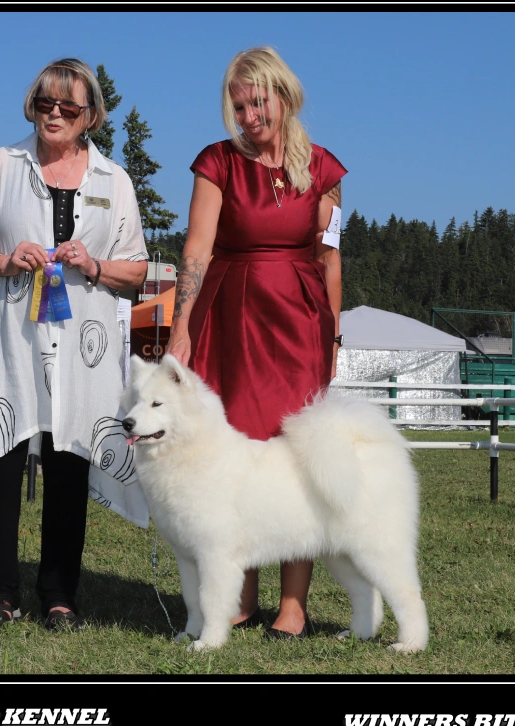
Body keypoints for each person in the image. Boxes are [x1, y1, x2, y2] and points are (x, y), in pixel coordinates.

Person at [0, 57, 149, 629]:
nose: (53, 114)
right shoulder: (1, 165)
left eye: (68, 106)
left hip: (84, 346)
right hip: (9, 336)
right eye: (44, 103)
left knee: (68, 462)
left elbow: (136, 270)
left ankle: (60, 595)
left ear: (91, 117)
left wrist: (96, 263)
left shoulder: (114, 180)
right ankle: (1, 593)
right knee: (1, 456)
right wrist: (3, 260)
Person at [167, 46, 346, 640]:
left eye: (257, 102)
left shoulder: (324, 169)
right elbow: (196, 249)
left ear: (284, 96)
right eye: (238, 106)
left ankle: (293, 606)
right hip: (231, 318)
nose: (247, 116)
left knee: (299, 458)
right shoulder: (216, 162)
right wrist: (181, 327)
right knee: (234, 455)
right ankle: (239, 599)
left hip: (301, 321)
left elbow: (329, 255)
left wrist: (334, 331)